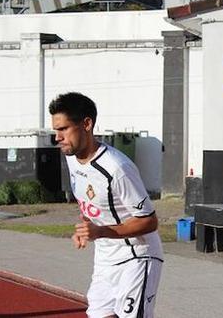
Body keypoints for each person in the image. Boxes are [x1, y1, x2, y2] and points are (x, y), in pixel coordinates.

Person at [49, 92, 163, 318]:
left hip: (137, 256)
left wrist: (101, 231)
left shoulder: (117, 168)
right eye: (55, 130)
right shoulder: (71, 158)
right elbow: (91, 202)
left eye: (63, 129)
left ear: (87, 124)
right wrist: (86, 228)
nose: (57, 137)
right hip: (105, 258)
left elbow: (150, 221)